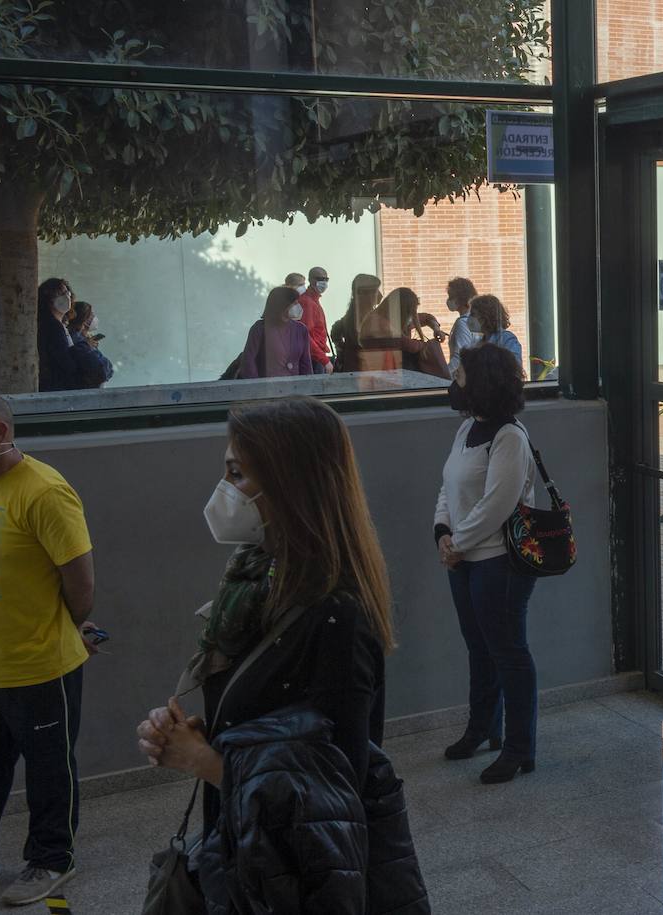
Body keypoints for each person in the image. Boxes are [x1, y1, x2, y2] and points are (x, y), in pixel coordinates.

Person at [135, 396, 426, 911]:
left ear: (290, 483)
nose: (225, 489)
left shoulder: (336, 615)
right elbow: (270, 723)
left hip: (296, 874)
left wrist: (204, 761)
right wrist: (191, 733)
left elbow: (337, 791)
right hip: (251, 849)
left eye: (237, 474)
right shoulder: (258, 581)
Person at [0, 389, 98, 907]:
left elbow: (81, 584)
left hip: (40, 667)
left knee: (49, 770)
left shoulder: (45, 492)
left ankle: (52, 859)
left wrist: (66, 628)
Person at [435, 343, 540, 784]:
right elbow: (448, 487)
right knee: (479, 649)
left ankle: (519, 748)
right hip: (464, 559)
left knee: (508, 653)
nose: (453, 384)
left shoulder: (509, 437)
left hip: (499, 563)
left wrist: (457, 543)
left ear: (481, 383)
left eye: (459, 377)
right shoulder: (467, 428)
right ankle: (482, 729)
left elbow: (498, 504)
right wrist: (442, 531)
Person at [36, 279, 111, 392]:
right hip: (58, 388)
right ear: (49, 300)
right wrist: (84, 347)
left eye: (67, 292)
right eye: (60, 294)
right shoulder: (53, 327)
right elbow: (66, 363)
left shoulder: (59, 325)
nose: (66, 296)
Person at [238, 287, 314, 379]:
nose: (298, 306)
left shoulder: (301, 329)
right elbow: (248, 361)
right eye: (294, 303)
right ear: (282, 305)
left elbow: (306, 364)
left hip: (294, 386)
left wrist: (308, 384)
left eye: (297, 302)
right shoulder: (260, 328)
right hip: (267, 386)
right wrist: (256, 385)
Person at [329, 273, 383, 373]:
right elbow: (336, 330)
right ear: (364, 294)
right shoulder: (358, 317)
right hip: (358, 371)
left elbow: (336, 329)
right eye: (376, 291)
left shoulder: (354, 315)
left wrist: (341, 348)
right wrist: (342, 349)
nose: (380, 295)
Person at [63, 301, 114, 389]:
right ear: (85, 320)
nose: (94, 317)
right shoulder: (78, 341)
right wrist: (88, 346)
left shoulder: (82, 338)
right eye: (91, 314)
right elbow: (104, 371)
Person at [469, 294, 524, 370]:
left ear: (485, 316)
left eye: (473, 314)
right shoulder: (477, 342)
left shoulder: (506, 338)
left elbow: (514, 367)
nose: (469, 318)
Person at [296, 266, 334, 374]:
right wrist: (324, 360)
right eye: (320, 279)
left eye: (326, 279)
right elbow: (305, 336)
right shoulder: (307, 302)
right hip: (314, 359)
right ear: (310, 280)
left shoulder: (313, 300)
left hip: (317, 357)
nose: (324, 282)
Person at [445, 277, 482, 377]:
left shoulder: (463, 323)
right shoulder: (475, 320)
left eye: (451, 297)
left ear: (461, 298)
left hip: (464, 378)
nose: (448, 300)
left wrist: (444, 375)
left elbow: (459, 357)